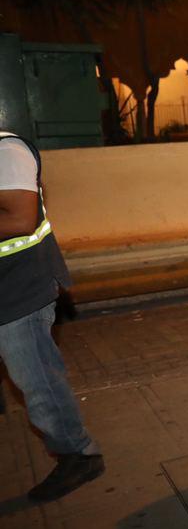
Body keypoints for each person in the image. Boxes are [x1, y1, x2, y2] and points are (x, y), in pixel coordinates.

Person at [0, 131, 104, 502]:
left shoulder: (6, 151)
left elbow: (22, 220)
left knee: (37, 381)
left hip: (21, 290)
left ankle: (79, 455)